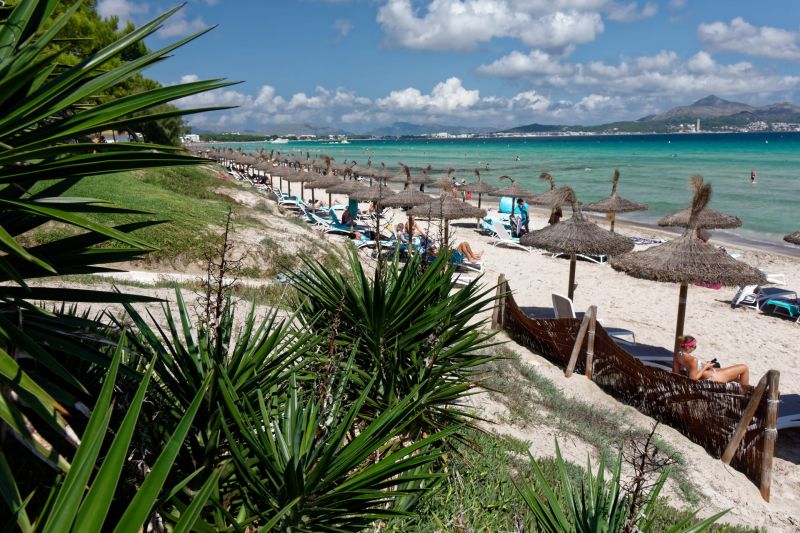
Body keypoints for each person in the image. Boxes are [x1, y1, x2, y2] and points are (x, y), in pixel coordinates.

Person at [674, 335, 750, 386]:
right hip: (712, 377)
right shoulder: (693, 360)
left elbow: (676, 374)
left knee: (736, 377)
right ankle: (744, 396)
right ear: (687, 348)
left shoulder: (677, 355)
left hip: (710, 373)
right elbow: (693, 380)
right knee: (744, 368)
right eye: (694, 347)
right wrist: (705, 367)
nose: (695, 348)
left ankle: (742, 393)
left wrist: (704, 365)